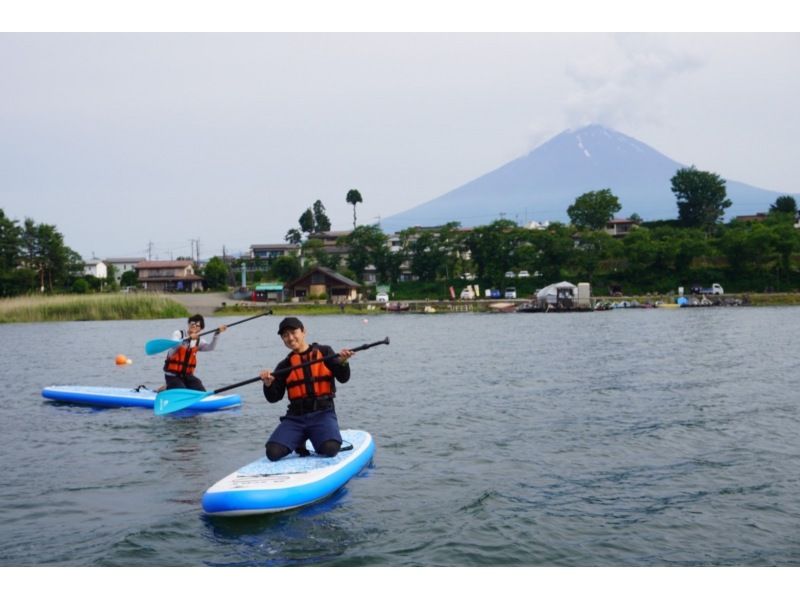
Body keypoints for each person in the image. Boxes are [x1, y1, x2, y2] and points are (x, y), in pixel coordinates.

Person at [259, 317, 354, 461]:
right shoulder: (284, 365)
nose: (290, 338)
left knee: (330, 449)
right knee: (272, 453)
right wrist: (268, 384)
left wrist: (343, 362)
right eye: (285, 335)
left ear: (303, 332)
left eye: (293, 332)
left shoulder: (325, 352)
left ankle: (319, 434)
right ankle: (299, 438)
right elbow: (274, 397)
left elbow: (343, 378)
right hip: (295, 418)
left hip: (323, 414)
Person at [163, 314, 226, 391]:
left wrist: (217, 334)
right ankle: (167, 387)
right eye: (192, 324)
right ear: (189, 324)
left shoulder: (199, 341)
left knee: (201, 389)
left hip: (187, 376)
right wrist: (188, 338)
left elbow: (211, 347)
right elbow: (175, 345)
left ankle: (169, 387)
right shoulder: (178, 334)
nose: (194, 326)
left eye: (197, 325)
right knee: (183, 391)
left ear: (200, 329)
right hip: (172, 375)